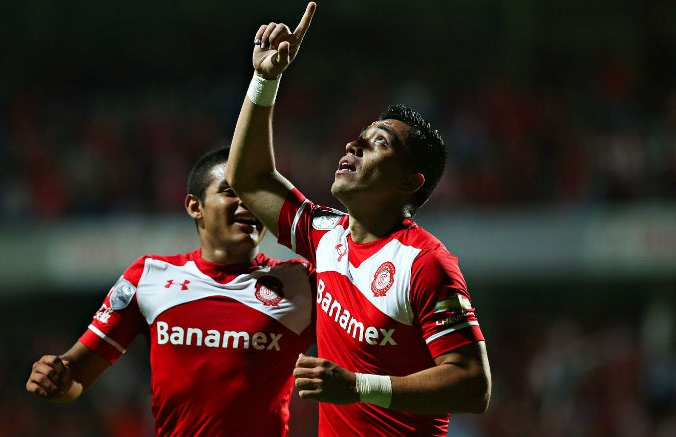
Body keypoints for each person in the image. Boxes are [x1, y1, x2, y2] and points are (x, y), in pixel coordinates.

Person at [225, 3, 491, 436]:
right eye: (360, 136)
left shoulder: (425, 264)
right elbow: (249, 178)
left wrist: (358, 387)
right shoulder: (327, 235)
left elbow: (473, 385)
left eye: (378, 143)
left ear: (409, 182)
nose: (354, 144)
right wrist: (265, 79)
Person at [25, 147, 317, 437]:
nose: (248, 203)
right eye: (231, 192)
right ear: (194, 206)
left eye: (255, 195)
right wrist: (54, 377)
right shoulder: (148, 277)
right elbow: (75, 375)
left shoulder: (301, 282)